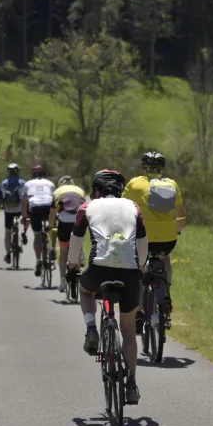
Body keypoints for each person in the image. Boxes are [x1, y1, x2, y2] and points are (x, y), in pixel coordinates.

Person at [68, 169, 148, 405]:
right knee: (128, 330)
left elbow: (76, 239)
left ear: (97, 190)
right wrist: (140, 267)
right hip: (129, 272)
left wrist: (72, 266)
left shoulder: (87, 207)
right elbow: (142, 241)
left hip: (98, 269)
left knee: (85, 291)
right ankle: (131, 383)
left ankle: (91, 329)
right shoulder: (133, 207)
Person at [122, 151, 186, 333]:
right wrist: (177, 230)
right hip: (168, 238)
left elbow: (123, 208)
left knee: (139, 267)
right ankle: (166, 291)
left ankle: (139, 310)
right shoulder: (171, 184)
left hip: (143, 237)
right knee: (165, 258)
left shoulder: (134, 184)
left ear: (144, 168)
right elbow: (180, 215)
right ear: (161, 169)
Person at [49, 175, 86, 293]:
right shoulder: (80, 190)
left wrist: (50, 225)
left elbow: (53, 212)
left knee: (63, 251)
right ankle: (80, 253)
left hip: (64, 222)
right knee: (78, 239)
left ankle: (62, 282)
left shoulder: (57, 192)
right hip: (78, 220)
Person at [21, 165, 56, 277]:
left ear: (32, 175)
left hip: (35, 207)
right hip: (48, 206)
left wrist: (24, 215)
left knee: (37, 235)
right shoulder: (50, 184)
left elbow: (24, 202)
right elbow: (55, 199)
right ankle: (53, 249)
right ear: (44, 174)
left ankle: (38, 261)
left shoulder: (27, 184)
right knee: (52, 226)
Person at [0, 163, 26, 264]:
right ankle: (24, 232)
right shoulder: (22, 182)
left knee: (8, 232)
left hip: (8, 210)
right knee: (25, 220)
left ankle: (8, 255)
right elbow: (27, 194)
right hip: (20, 209)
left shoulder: (4, 183)